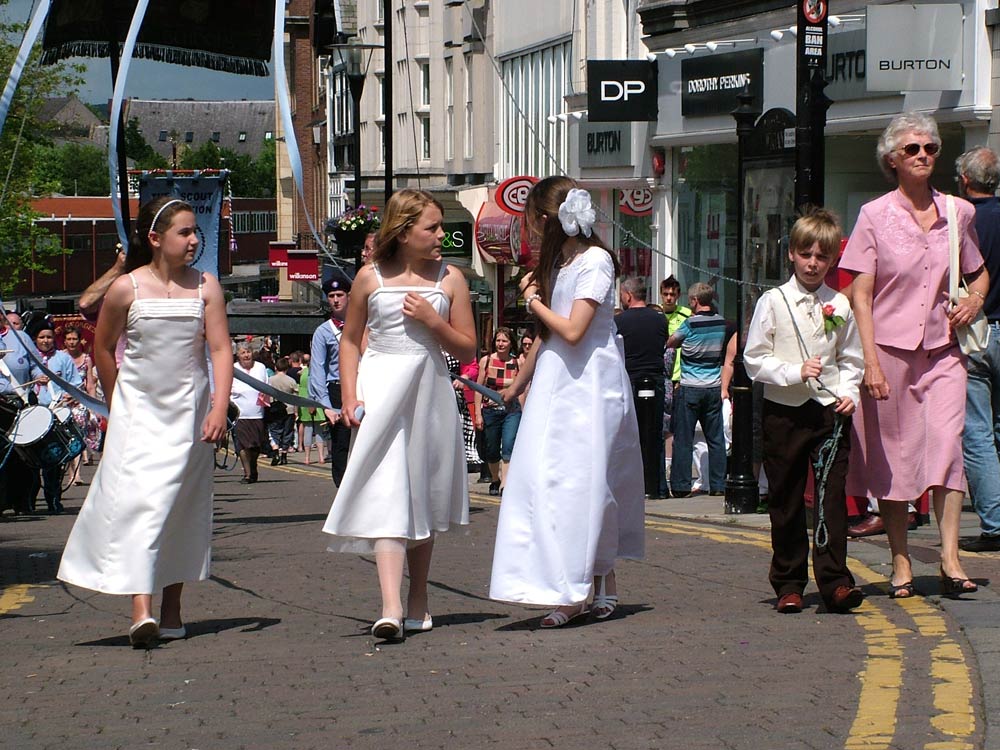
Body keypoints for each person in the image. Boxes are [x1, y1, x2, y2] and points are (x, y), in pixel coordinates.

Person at [57, 196, 233, 647]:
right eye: (184, 232)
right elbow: (103, 348)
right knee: (141, 505)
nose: (194, 240)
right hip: (140, 413)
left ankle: (172, 608)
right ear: (155, 238)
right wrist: (119, 405)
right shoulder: (126, 289)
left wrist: (218, 407)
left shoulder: (206, 287)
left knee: (180, 506)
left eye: (197, 232)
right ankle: (142, 609)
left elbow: (219, 349)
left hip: (189, 414)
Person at [841, 112, 987, 598]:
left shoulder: (958, 212)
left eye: (931, 148)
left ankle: (949, 558)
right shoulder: (874, 216)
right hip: (889, 350)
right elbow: (860, 296)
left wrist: (974, 300)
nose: (924, 155)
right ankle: (901, 562)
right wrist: (871, 362)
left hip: (944, 351)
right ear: (892, 159)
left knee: (948, 450)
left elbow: (978, 271)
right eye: (913, 149)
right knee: (893, 461)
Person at [489, 177, 645, 628]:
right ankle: (586, 583)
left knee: (587, 483)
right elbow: (550, 337)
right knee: (557, 481)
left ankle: (585, 586)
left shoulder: (596, 261)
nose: (532, 233)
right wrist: (518, 383)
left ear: (545, 219)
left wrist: (533, 300)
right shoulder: (559, 262)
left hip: (589, 384)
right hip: (559, 379)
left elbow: (574, 329)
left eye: (532, 224)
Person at [323, 189, 476, 641]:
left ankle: (419, 598)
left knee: (420, 494)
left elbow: (468, 348)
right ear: (404, 231)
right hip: (381, 387)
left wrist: (434, 321)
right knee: (389, 490)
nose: (441, 234)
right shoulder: (369, 279)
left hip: (428, 388)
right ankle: (389, 606)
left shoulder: (451, 279)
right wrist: (349, 396)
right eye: (432, 227)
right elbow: (350, 340)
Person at [744, 209, 865, 614]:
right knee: (786, 499)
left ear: (832, 261)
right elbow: (753, 359)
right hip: (784, 412)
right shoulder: (772, 301)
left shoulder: (840, 305)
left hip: (829, 413)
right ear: (792, 254)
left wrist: (850, 393)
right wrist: (794, 371)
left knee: (831, 498)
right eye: (806, 254)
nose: (813, 263)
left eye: (822, 256)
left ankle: (835, 582)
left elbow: (851, 359)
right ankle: (789, 583)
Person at [956, 146, 1000, 552]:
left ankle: (995, 523)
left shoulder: (961, 220)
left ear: (965, 180)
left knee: (978, 431)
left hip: (976, 332)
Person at [667, 282, 727, 498]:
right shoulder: (721, 322)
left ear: (694, 301)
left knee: (683, 438)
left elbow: (671, 342)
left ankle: (681, 486)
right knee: (716, 438)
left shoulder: (689, 323)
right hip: (713, 387)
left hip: (690, 386)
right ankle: (719, 484)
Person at [615, 276, 668, 498]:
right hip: (655, 380)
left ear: (628, 295)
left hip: (631, 380)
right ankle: (657, 487)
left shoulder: (620, 322)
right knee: (655, 434)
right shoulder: (660, 319)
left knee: (631, 436)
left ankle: (633, 487)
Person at [29, 318, 83, 514]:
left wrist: (71, 395)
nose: (46, 341)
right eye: (42, 337)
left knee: (54, 460)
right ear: (35, 339)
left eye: (49, 337)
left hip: (55, 414)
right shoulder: (30, 358)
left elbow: (76, 383)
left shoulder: (63, 358)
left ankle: (54, 499)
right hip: (32, 414)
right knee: (31, 462)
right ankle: (29, 501)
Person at [308, 271, 352, 485]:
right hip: (336, 390)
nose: (335, 299)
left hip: (361, 387)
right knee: (341, 443)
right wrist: (325, 405)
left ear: (349, 296)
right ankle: (342, 487)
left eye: (339, 294)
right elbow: (317, 370)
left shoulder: (361, 325)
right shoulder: (322, 332)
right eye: (331, 295)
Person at [0, 309, 42, 516]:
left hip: (18, 401)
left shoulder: (21, 337)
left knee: (23, 455)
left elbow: (36, 365)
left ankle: (22, 501)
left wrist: (40, 376)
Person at [474, 327, 521, 495]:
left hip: (511, 411)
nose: (501, 344)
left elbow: (521, 389)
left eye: (504, 341)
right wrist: (478, 414)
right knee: (492, 450)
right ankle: (495, 479)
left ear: (511, 344)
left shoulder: (517, 363)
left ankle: (505, 484)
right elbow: (478, 388)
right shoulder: (486, 361)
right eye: (498, 340)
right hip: (490, 411)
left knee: (508, 446)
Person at [660, 275, 691, 492]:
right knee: (663, 425)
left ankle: (672, 466)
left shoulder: (686, 315)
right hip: (663, 377)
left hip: (681, 377)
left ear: (679, 295)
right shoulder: (656, 316)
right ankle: (664, 465)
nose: (669, 298)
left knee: (677, 426)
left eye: (673, 294)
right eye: (666, 294)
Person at [61, 325, 98, 479]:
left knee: (79, 435)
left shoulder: (86, 359)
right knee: (67, 436)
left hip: (81, 402)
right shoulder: (61, 357)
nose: (72, 342)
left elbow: (90, 383)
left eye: (74, 339)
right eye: (69, 339)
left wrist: (93, 405)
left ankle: (76, 473)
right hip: (62, 401)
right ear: (64, 341)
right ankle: (69, 469)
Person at [231, 344, 269, 483]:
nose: (246, 355)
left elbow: (266, 384)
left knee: (255, 446)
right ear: (238, 355)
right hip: (239, 413)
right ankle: (248, 474)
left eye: (248, 352)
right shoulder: (233, 368)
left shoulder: (260, 367)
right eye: (243, 353)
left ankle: (253, 467)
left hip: (257, 412)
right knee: (242, 444)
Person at [266, 356, 297, 466]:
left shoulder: (270, 380)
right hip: (289, 409)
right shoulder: (291, 381)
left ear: (276, 367)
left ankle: (275, 452)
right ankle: (284, 455)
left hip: (274, 409)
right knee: (287, 432)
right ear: (286, 368)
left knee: (274, 431)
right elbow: (295, 396)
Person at [298, 360, 326, 465]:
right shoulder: (314, 374)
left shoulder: (303, 373)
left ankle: (307, 458)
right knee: (319, 432)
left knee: (308, 431)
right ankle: (321, 457)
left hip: (305, 403)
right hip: (315, 402)